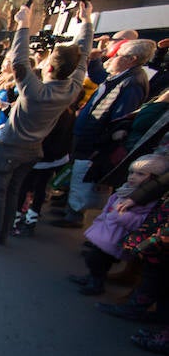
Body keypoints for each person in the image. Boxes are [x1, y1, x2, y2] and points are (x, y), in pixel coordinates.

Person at [0, 1, 93, 250]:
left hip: (11, 147)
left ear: (51, 67)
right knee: (13, 192)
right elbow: (83, 57)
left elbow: (20, 60)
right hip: (33, 150)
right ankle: (1, 235)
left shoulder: (36, 91)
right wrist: (86, 23)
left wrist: (23, 23)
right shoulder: (71, 89)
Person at [55, 39, 157, 228]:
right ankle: (69, 207)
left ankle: (74, 215)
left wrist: (101, 143)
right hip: (87, 133)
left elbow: (120, 118)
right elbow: (100, 78)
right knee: (77, 172)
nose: (114, 59)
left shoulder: (134, 81)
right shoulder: (123, 75)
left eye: (118, 55)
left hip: (96, 139)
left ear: (132, 59)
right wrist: (94, 61)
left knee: (84, 175)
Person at [69, 154, 169, 295]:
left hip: (117, 237)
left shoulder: (147, 200)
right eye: (131, 172)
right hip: (106, 231)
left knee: (97, 260)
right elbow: (108, 207)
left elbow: (142, 221)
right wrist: (101, 219)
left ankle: (96, 283)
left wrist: (120, 216)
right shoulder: (125, 190)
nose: (132, 177)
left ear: (153, 178)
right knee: (96, 260)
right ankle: (92, 277)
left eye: (140, 174)